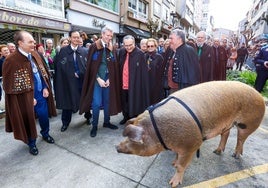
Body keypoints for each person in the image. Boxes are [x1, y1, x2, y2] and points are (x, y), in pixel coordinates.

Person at [2, 30, 56, 155]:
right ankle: (31, 143)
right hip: (23, 99)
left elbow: (43, 73)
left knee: (43, 116)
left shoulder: (35, 54)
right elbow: (8, 85)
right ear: (20, 43)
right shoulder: (11, 60)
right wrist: (27, 97)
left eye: (33, 41)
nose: (34, 43)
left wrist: (45, 87)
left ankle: (45, 134)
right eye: (30, 41)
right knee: (28, 121)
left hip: (40, 94)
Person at [79, 27, 121, 137]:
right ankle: (94, 125)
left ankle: (106, 122)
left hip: (108, 78)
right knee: (96, 103)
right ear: (102, 34)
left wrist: (110, 78)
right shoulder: (94, 46)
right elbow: (91, 66)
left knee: (107, 101)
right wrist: (98, 78)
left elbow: (114, 65)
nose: (109, 38)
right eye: (107, 35)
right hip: (97, 79)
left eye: (111, 36)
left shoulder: (112, 47)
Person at [54, 30, 89, 132]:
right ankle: (65, 123)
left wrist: (79, 72)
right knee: (67, 103)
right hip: (68, 83)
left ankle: (88, 117)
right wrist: (70, 73)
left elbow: (87, 66)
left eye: (78, 37)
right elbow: (59, 66)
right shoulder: (63, 51)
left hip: (81, 82)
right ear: (70, 38)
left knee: (85, 101)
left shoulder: (84, 51)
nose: (76, 39)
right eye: (74, 37)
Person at [118, 35, 150, 124]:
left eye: (130, 45)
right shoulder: (121, 52)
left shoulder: (140, 54)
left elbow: (143, 73)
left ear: (134, 43)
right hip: (123, 82)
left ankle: (133, 118)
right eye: (126, 45)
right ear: (123, 44)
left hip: (134, 84)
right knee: (124, 101)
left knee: (133, 101)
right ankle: (125, 117)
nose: (128, 47)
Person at [163, 29, 200, 94]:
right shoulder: (172, 50)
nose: (169, 41)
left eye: (171, 38)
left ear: (179, 39)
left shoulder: (189, 50)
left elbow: (193, 73)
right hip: (172, 88)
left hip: (182, 89)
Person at [145, 38, 164, 104]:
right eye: (148, 46)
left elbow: (162, 73)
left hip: (156, 85)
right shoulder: (144, 56)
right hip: (146, 84)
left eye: (152, 46)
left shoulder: (159, 57)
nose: (150, 47)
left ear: (155, 46)